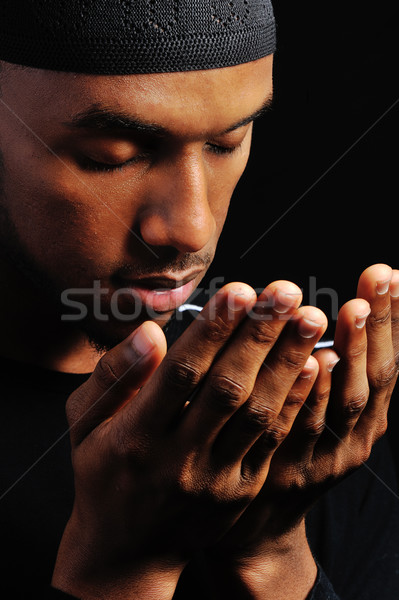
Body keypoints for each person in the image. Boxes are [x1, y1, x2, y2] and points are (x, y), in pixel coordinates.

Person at [0, 1, 398, 599]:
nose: (191, 227)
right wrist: (122, 570)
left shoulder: (289, 426)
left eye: (226, 142)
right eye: (112, 157)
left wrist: (273, 552)